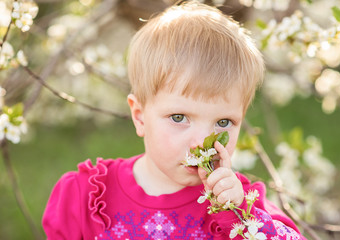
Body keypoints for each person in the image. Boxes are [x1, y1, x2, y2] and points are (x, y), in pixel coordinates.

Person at [43, 1, 307, 239]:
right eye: (179, 117)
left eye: (224, 122)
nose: (202, 144)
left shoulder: (240, 203)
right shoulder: (85, 198)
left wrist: (238, 217)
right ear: (140, 117)